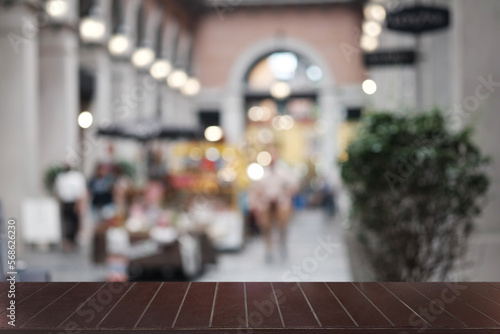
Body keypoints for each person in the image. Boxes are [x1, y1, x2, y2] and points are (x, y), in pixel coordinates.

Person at [249, 152, 299, 262]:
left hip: (280, 203)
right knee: (266, 227)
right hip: (266, 204)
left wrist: (286, 195)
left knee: (283, 226)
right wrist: (255, 204)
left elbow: (293, 187)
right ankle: (268, 248)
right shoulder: (262, 174)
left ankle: (282, 244)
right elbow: (255, 190)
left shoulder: (284, 173)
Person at [54, 164, 87, 252]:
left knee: (74, 222)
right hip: (65, 202)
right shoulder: (61, 177)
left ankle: (73, 240)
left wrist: (79, 204)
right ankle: (67, 241)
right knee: (66, 222)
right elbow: (59, 191)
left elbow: (81, 191)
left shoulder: (77, 177)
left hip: (75, 202)